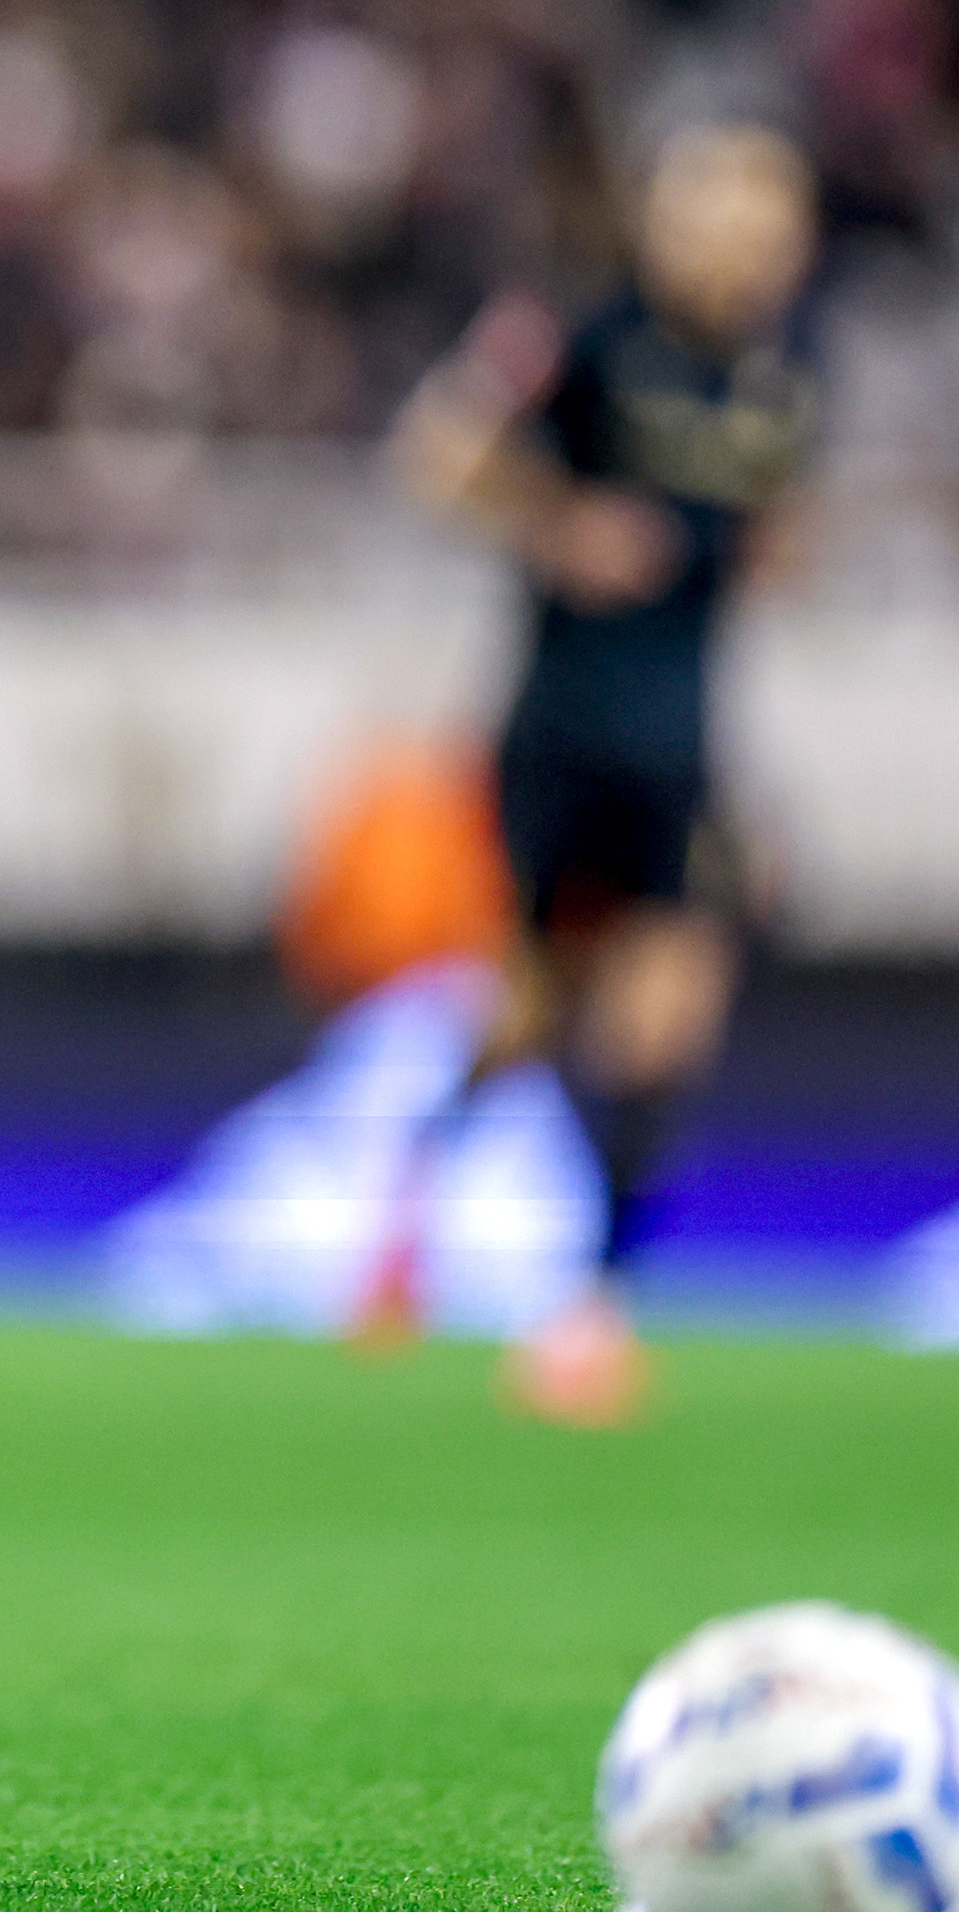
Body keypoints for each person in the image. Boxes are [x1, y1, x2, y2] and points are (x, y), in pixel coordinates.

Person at [383, 121, 818, 1425]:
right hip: (560, 734)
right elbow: (436, 450)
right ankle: (420, 1174)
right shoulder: (581, 333)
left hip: (681, 748)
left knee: (667, 1018)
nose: (749, 258)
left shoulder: (783, 381)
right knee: (534, 1012)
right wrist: (554, 521)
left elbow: (776, 541)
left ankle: (591, 1309)